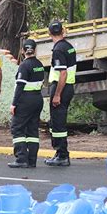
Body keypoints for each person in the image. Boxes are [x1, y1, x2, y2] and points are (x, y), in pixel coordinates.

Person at [44, 21, 76, 167]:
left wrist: (57, 94)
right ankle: (59, 152)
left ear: (49, 33)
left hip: (61, 87)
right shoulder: (69, 47)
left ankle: (62, 154)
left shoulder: (58, 49)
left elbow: (62, 73)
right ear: (62, 31)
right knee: (58, 121)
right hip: (69, 87)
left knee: (58, 123)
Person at [9, 39, 44, 168]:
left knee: (17, 128)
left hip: (25, 101)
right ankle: (32, 159)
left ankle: (21, 158)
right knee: (33, 130)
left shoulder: (24, 65)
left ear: (23, 51)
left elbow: (20, 85)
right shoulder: (39, 64)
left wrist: (14, 104)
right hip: (37, 99)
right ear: (35, 50)